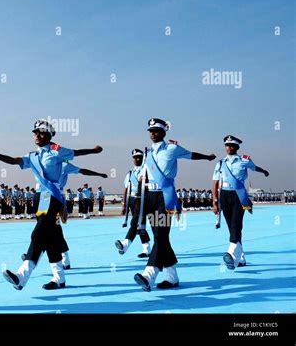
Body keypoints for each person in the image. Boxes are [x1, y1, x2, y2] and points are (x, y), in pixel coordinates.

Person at [0, 119, 103, 290]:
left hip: (53, 197)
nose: (37, 136)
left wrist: (93, 151)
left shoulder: (56, 151)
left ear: (49, 135)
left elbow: (76, 153)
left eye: (41, 133)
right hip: (39, 198)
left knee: (38, 233)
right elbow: (14, 160)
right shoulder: (32, 156)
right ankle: (59, 279)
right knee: (50, 238)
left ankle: (21, 276)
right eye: (35, 133)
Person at [133, 118, 216, 292]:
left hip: (165, 197)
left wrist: (207, 157)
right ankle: (172, 276)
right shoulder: (147, 153)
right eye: (150, 130)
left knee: (161, 235)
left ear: (164, 132)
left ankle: (149, 274)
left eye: (156, 130)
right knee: (159, 237)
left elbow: (191, 155)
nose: (152, 133)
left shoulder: (172, 148)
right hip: (150, 197)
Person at [212, 135, 269, 270]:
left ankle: (231, 254)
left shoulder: (244, 161)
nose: (229, 148)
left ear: (236, 147)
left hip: (239, 195)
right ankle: (241, 258)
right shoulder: (220, 163)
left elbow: (255, 168)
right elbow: (215, 183)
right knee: (231, 226)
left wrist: (264, 171)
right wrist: (215, 202)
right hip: (224, 195)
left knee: (236, 225)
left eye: (232, 146)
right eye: (227, 145)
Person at [115, 149, 152, 259]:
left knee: (135, 222)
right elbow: (126, 189)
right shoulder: (130, 173)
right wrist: (124, 204)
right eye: (135, 158)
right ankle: (147, 249)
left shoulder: (147, 170)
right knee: (140, 225)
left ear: (142, 158)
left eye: (139, 157)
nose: (136, 159)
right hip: (132, 200)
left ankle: (125, 244)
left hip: (143, 199)